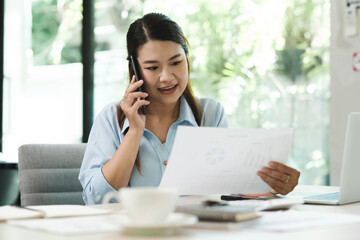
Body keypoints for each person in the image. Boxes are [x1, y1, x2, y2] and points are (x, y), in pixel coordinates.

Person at [78, 13, 300, 205]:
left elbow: (230, 188)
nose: (167, 77)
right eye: (153, 67)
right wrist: (134, 132)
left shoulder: (209, 114)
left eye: (176, 62)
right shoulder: (111, 119)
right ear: (135, 70)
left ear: (187, 60)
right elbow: (96, 200)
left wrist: (274, 186)